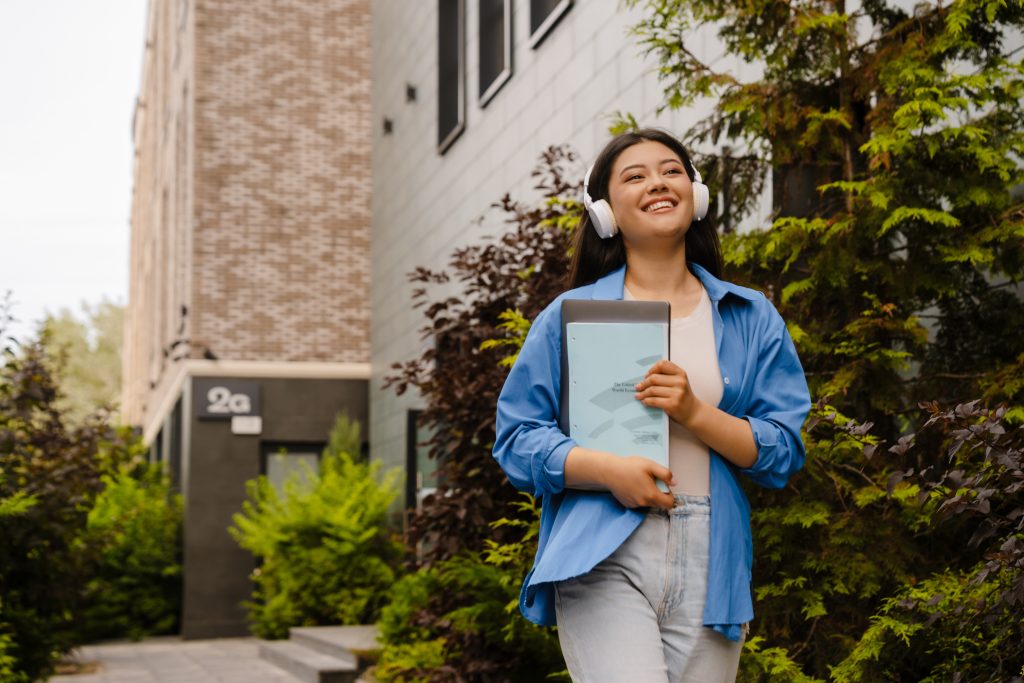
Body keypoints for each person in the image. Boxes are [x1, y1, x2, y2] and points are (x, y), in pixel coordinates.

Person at [492, 128, 811, 682]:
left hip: (713, 556)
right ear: (605, 212)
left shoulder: (750, 316)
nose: (658, 183)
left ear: (697, 193)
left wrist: (694, 411)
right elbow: (516, 440)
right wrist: (607, 470)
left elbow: (783, 452)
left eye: (672, 170)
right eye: (634, 176)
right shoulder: (569, 315)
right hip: (602, 548)